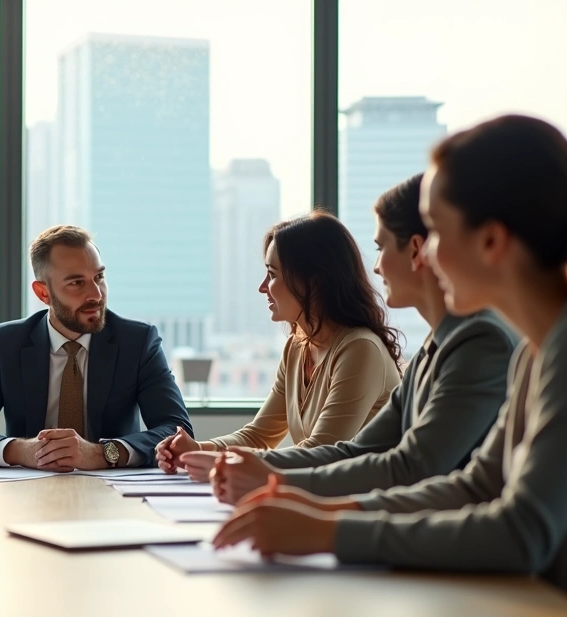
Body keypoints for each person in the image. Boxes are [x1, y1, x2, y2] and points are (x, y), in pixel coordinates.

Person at [211, 115, 567, 617]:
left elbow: (522, 530)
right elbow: (476, 484)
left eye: (434, 230)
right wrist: (322, 515)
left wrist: (327, 532)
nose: (426, 253)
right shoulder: (539, 348)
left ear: (491, 241)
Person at [178, 175, 516, 498]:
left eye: (381, 248)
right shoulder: (432, 348)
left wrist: (275, 485)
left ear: (416, 250)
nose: (377, 267)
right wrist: (219, 457)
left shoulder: (474, 342)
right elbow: (359, 452)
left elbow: (408, 467)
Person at [157, 212, 402, 475]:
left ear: (314, 282)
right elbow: (258, 435)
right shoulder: (297, 347)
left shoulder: (360, 349)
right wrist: (196, 450)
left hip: (363, 504)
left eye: (272, 275)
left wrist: (223, 464)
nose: (263, 287)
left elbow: (322, 451)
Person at [0, 225, 192, 469]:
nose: (96, 294)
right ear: (43, 293)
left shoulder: (137, 342)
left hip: (114, 489)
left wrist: (102, 454)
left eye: (99, 277)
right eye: (76, 283)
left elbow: (177, 429)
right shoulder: (8, 343)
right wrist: (23, 451)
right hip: (27, 489)